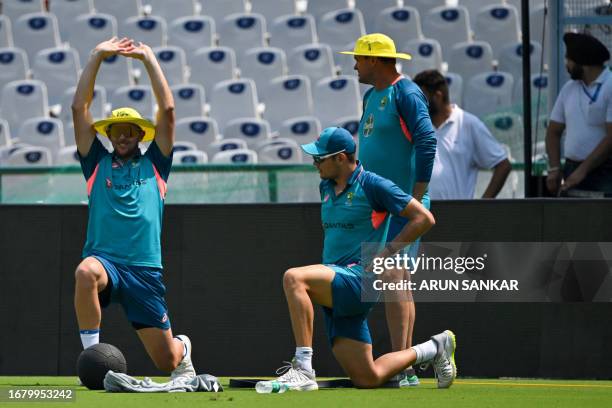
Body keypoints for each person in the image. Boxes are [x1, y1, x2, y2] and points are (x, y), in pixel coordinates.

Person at [258, 127, 456, 391]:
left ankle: (303, 368)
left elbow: (424, 218)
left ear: (340, 158)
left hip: (361, 279)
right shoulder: (325, 186)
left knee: (294, 278)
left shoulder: (374, 185)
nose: (315, 164)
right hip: (338, 283)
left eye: (320, 159)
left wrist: (386, 254)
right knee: (368, 378)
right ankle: (434, 347)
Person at [72, 37, 195, 379]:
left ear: (140, 135)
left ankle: (183, 346)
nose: (123, 137)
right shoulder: (96, 163)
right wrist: (96, 55)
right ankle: (93, 359)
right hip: (105, 262)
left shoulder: (156, 163)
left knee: (167, 361)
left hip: (144, 271)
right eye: (117, 132)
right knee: (85, 272)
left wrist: (148, 59)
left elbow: (168, 112)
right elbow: (78, 110)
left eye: (130, 132)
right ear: (108, 135)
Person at [340, 33, 437, 386]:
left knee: (393, 275)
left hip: (401, 205)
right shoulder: (371, 95)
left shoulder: (406, 93)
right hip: (381, 206)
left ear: (376, 61)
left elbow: (427, 140)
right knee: (396, 279)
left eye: (359, 59)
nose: (354, 64)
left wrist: (417, 194)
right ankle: (405, 364)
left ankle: (403, 364)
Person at [413, 70, 512, 199]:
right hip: (421, 215)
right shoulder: (414, 126)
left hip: (457, 215)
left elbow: (503, 165)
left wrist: (482, 205)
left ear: (438, 96)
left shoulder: (468, 124)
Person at [546, 32, 612, 196]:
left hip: (605, 171)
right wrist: (554, 168)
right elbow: (553, 132)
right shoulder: (569, 89)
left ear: (583, 62)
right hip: (572, 170)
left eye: (569, 59)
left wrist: (583, 170)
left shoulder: (610, 85)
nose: (566, 64)